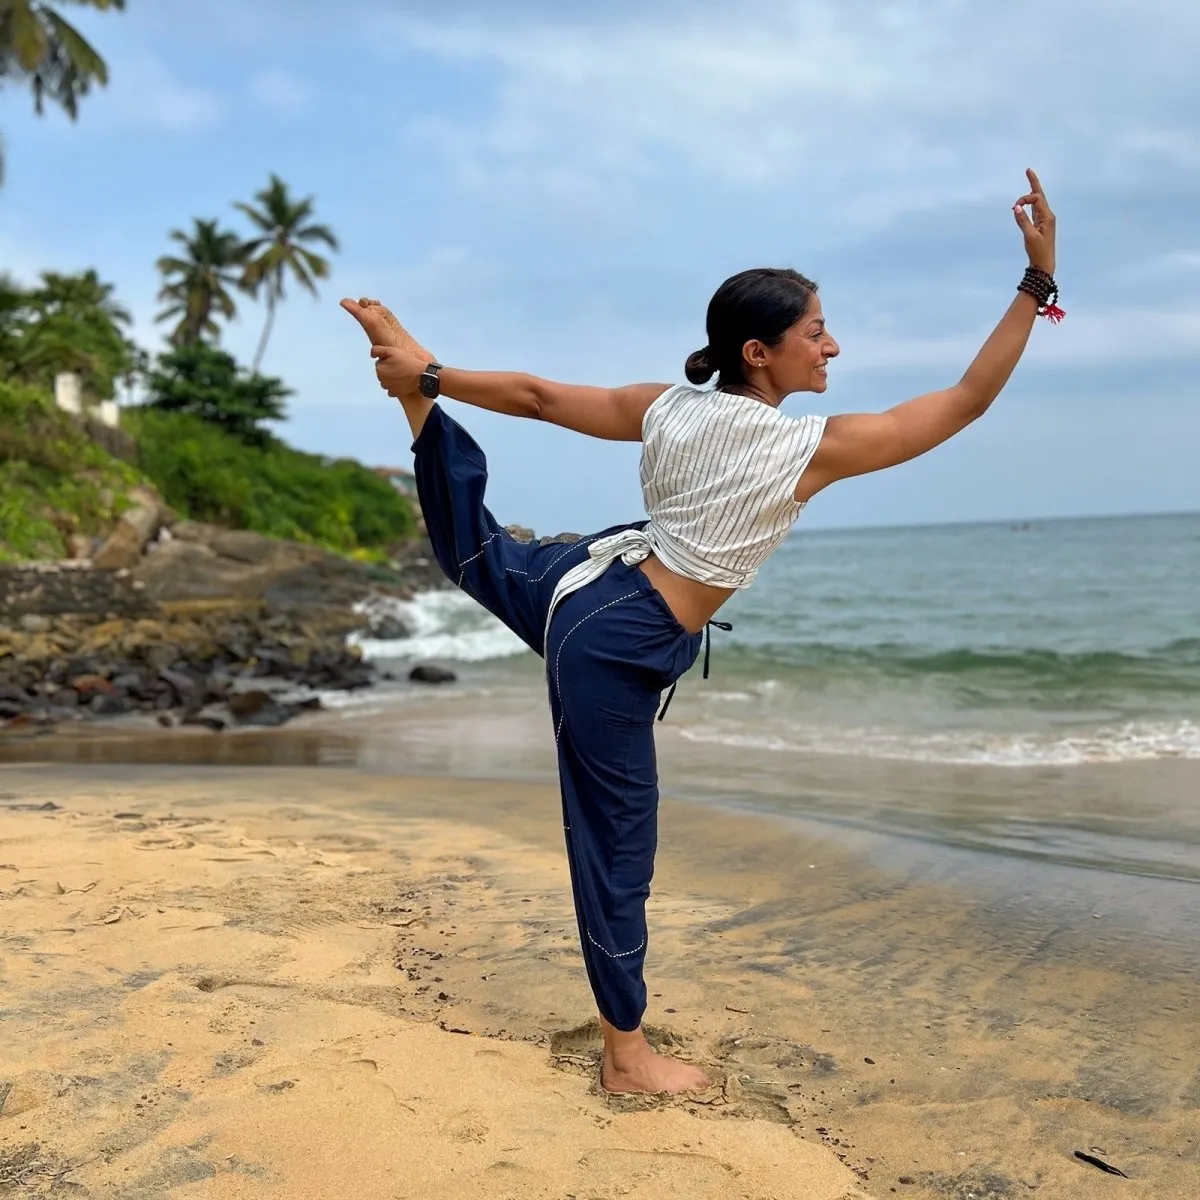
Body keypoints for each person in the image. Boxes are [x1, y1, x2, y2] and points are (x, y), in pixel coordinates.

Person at [342, 169, 1059, 1096]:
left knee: (485, 561)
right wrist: (1035, 284)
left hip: (588, 583)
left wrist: (434, 373)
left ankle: (415, 401)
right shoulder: (806, 449)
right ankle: (626, 1057)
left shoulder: (668, 406)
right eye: (815, 332)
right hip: (618, 636)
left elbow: (537, 396)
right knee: (615, 840)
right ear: (759, 353)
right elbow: (965, 400)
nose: (832, 344)